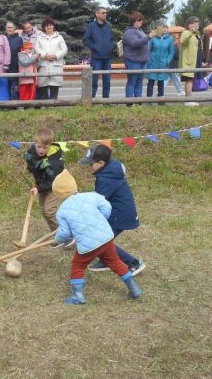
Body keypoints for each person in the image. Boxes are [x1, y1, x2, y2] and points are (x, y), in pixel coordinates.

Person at [52, 169, 142, 305]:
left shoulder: (62, 211)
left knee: (77, 265)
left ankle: (78, 296)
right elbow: (106, 207)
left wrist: (57, 239)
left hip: (88, 245)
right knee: (116, 262)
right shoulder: (92, 196)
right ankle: (134, 289)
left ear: (57, 195)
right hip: (106, 238)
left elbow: (65, 233)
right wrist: (101, 219)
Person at [79, 144, 146, 275]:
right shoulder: (108, 170)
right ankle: (106, 260)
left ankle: (134, 263)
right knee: (100, 240)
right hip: (116, 212)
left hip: (119, 215)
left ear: (101, 162)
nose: (89, 167)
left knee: (99, 240)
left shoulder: (106, 178)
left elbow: (98, 200)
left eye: (91, 164)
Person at [24, 127, 66, 234]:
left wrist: (38, 188)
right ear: (35, 143)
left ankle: (66, 234)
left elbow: (51, 181)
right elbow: (31, 161)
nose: (41, 150)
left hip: (55, 184)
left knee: (49, 211)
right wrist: (33, 173)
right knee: (44, 211)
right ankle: (57, 235)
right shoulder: (32, 152)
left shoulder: (54, 162)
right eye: (39, 147)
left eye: (45, 147)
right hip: (43, 183)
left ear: (50, 145)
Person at [82, 7, 115, 98]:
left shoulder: (108, 25)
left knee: (107, 81)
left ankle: (106, 101)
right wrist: (95, 47)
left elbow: (112, 39)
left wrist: (111, 47)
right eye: (103, 13)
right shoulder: (91, 26)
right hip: (96, 58)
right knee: (94, 81)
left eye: (106, 13)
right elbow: (85, 39)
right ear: (97, 14)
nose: (105, 14)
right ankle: (91, 100)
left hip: (107, 58)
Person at [122, 12, 155, 99]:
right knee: (132, 81)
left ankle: (138, 102)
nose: (141, 22)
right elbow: (134, 43)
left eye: (141, 20)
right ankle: (129, 103)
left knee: (139, 82)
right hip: (133, 60)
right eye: (139, 20)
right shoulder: (129, 32)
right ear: (133, 21)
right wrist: (149, 37)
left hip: (142, 61)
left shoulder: (139, 31)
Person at [35, 17, 67, 100]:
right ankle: (44, 108)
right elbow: (37, 48)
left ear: (53, 26)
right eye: (46, 26)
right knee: (43, 90)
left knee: (54, 91)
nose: (49, 27)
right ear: (44, 28)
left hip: (56, 66)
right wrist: (45, 55)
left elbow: (64, 49)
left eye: (50, 25)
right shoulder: (40, 37)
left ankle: (53, 108)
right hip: (43, 66)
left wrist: (55, 56)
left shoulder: (59, 37)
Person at [146, 24, 175, 100]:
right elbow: (148, 50)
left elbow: (171, 52)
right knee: (150, 82)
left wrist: (167, 61)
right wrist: (149, 60)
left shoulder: (170, 39)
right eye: (161, 28)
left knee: (161, 83)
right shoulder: (153, 38)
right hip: (152, 63)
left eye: (165, 28)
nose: (163, 29)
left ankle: (161, 100)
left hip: (163, 64)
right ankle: (149, 100)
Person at [179, 16, 203, 106]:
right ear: (188, 24)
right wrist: (190, 32)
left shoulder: (197, 34)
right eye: (193, 23)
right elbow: (182, 41)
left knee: (191, 80)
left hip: (196, 60)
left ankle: (189, 99)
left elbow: (199, 47)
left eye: (196, 24)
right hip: (188, 61)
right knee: (189, 79)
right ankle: (188, 100)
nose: (195, 25)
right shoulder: (186, 32)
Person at [6, 22, 23, 100]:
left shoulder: (19, 39)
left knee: (16, 87)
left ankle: (17, 104)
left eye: (11, 27)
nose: (9, 29)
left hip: (16, 66)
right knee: (7, 87)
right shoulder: (3, 38)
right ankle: (9, 104)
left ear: (14, 29)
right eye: (8, 27)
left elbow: (22, 53)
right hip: (5, 67)